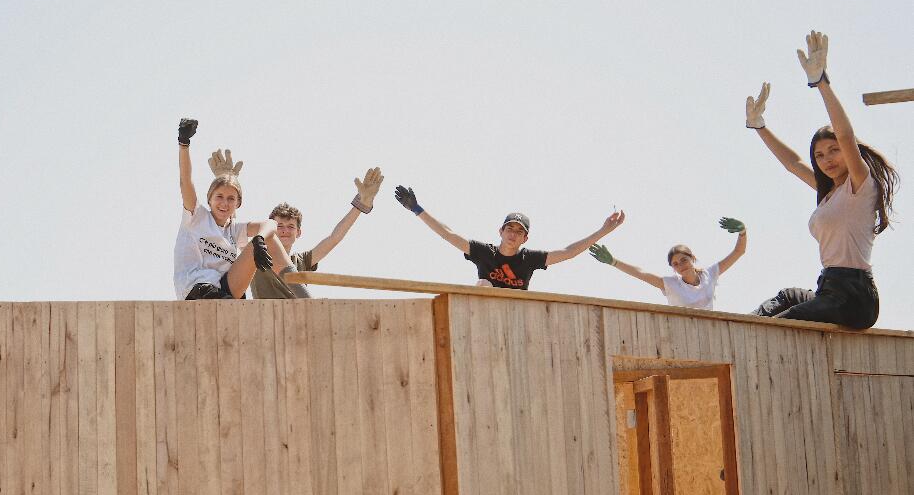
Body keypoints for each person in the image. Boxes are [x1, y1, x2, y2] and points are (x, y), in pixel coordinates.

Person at [745, 32, 899, 329]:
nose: (827, 159)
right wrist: (759, 126)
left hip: (855, 296)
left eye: (833, 151)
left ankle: (755, 331)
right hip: (829, 288)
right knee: (787, 297)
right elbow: (793, 164)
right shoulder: (829, 193)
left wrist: (821, 82)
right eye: (819, 155)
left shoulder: (860, 185)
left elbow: (845, 135)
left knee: (782, 324)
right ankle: (740, 326)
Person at [393, 185, 625, 289]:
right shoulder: (484, 253)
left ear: (525, 238)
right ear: (500, 232)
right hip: (485, 314)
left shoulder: (529, 259)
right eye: (509, 229)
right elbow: (448, 234)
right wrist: (416, 209)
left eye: (519, 231)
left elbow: (569, 252)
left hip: (515, 316)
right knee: (483, 285)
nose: (513, 234)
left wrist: (604, 230)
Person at [173, 120, 298, 300]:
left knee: (265, 238)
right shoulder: (196, 216)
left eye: (231, 199)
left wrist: (260, 239)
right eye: (219, 197)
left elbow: (271, 224)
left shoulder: (234, 229)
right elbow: (185, 181)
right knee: (217, 294)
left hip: (225, 289)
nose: (224, 203)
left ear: (238, 204)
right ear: (209, 199)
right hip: (197, 289)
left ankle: (301, 295)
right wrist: (184, 144)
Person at [244, 166, 384, 300]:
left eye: (291, 226)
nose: (285, 230)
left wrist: (360, 205)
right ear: (271, 230)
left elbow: (334, 238)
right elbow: (234, 232)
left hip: (299, 315)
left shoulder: (301, 261)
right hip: (266, 315)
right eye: (280, 226)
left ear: (298, 233)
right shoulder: (257, 255)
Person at [587, 218, 747, 310]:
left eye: (683, 260)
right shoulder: (671, 284)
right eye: (675, 264)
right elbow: (641, 273)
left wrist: (742, 232)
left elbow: (738, 252)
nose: (681, 265)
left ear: (692, 258)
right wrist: (613, 261)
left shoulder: (709, 275)